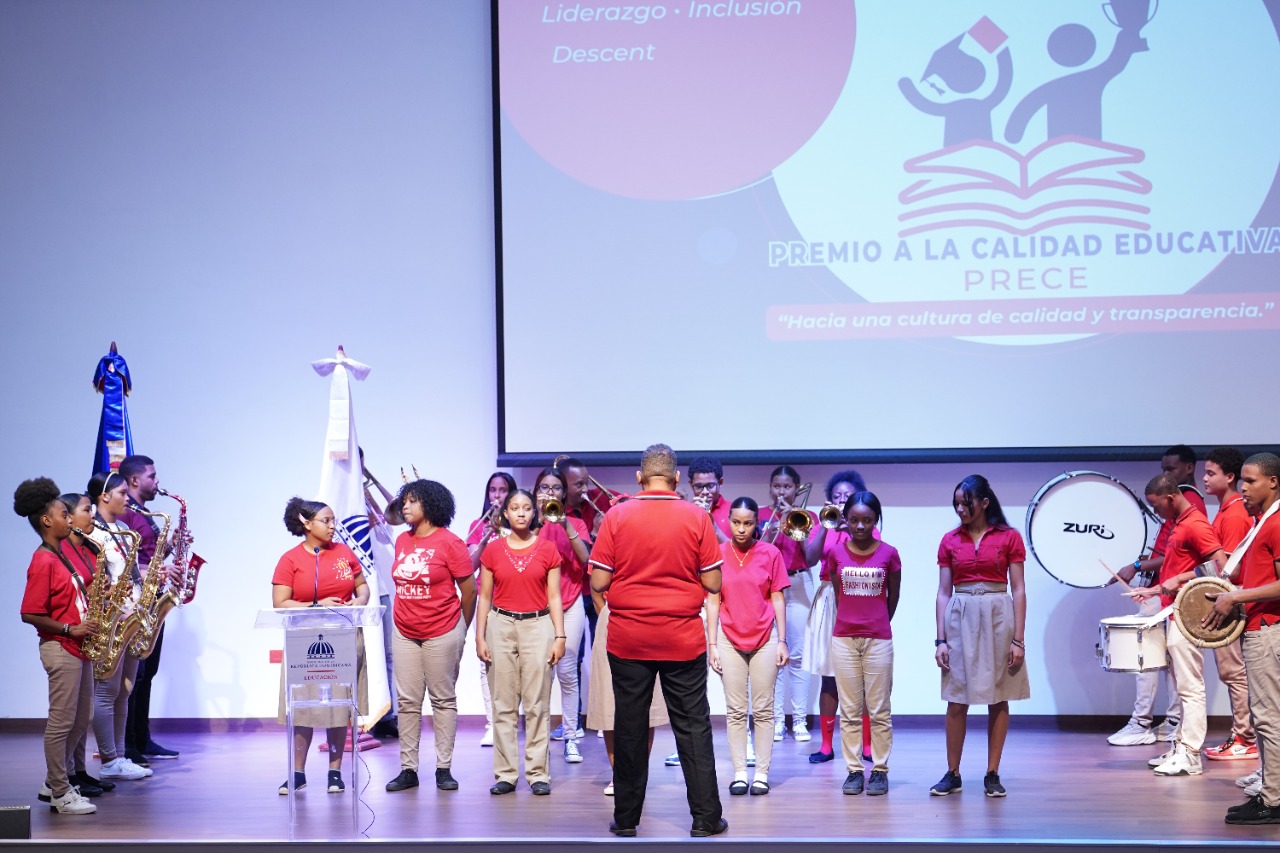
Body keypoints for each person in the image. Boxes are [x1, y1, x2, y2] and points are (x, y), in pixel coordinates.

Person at [590, 443, 726, 838]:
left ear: (639, 478)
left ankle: (627, 820)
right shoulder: (696, 517)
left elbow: (599, 581)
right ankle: (705, 819)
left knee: (630, 726)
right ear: (677, 479)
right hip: (682, 638)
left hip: (628, 638)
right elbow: (713, 581)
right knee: (693, 728)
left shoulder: (617, 516)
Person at [931, 475, 1028, 798]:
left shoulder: (1009, 537)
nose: (960, 508)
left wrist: (1019, 639)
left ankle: (992, 772)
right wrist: (940, 639)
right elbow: (943, 593)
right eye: (956, 502)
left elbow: (1019, 589)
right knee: (956, 696)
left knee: (999, 695)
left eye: (966, 502)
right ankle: (952, 772)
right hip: (960, 615)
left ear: (985, 503)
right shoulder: (949, 540)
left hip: (999, 614)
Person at [271, 497, 370, 795]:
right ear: (306, 522)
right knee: (305, 707)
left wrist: (361, 599)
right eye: (325, 521)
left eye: (333, 520)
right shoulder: (290, 559)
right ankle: (298, 773)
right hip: (306, 639)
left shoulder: (343, 553)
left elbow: (362, 585)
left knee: (338, 708)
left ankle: (335, 773)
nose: (332, 526)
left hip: (344, 635)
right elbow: (280, 602)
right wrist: (317, 605)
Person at [1109, 445, 1205, 746]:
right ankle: (1167, 723)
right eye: (1163, 468)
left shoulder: (1190, 506)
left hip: (1173, 594)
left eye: (1171, 469)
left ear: (1189, 468)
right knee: (1161, 657)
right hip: (1162, 591)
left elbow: (1202, 562)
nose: (1164, 474)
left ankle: (1149, 723)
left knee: (1154, 658)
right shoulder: (1177, 508)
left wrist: (1138, 565)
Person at [384, 479, 476, 793]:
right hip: (405, 630)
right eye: (403, 501)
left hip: (443, 630)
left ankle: (443, 768)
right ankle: (408, 769)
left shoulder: (450, 542)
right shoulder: (401, 541)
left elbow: (469, 590)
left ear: (431, 505)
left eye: (412, 501)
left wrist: (460, 630)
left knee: (442, 700)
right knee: (408, 702)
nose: (404, 507)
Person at [1131, 474, 1225, 777]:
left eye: (1158, 507)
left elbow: (1220, 565)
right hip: (1174, 612)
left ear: (1171, 498)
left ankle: (1191, 754)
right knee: (1184, 687)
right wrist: (1155, 590)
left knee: (1190, 688)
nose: (1158, 514)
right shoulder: (1179, 524)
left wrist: (1181, 580)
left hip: (1188, 616)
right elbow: (1175, 572)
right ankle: (1180, 748)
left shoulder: (1195, 524)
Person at [16, 477, 100, 815]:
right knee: (61, 722)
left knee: (82, 719)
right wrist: (71, 628)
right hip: (60, 646)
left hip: (76, 647)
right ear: (47, 521)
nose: (70, 520)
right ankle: (60, 792)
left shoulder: (60, 555)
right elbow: (29, 613)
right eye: (64, 515)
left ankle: (55, 781)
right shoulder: (44, 560)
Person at [1203, 452, 1280, 824]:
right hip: (1259, 628)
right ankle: (1270, 792)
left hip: (1269, 630)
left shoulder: (1277, 523)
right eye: (1244, 480)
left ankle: (1274, 800)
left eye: (1250, 481)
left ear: (1273, 482)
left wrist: (1235, 596)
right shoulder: (1261, 522)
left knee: (1268, 717)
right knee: (1266, 717)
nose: (1243, 488)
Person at [476, 489, 567, 796]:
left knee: (537, 704)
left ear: (534, 513)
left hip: (538, 625)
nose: (520, 513)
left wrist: (559, 635)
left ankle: (538, 773)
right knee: (503, 703)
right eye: (514, 508)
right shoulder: (493, 551)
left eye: (526, 508)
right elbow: (484, 597)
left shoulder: (548, 550)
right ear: (505, 513)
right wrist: (479, 635)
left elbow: (554, 596)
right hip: (500, 625)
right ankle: (505, 773)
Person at [707, 497, 788, 796]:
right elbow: (713, 600)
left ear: (757, 524)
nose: (741, 529)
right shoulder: (717, 554)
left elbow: (777, 596)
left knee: (764, 710)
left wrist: (782, 640)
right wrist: (712, 644)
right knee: (736, 710)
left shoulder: (770, 553)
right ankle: (740, 772)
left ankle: (762, 774)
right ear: (728, 520)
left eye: (748, 523)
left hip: (765, 637)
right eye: (736, 522)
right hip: (729, 638)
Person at [828, 491, 900, 796]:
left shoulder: (889, 553)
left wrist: (877, 622)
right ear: (846, 519)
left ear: (875, 520)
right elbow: (837, 592)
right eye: (854, 519)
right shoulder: (836, 554)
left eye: (867, 520)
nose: (860, 526)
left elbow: (892, 597)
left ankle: (880, 770)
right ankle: (854, 771)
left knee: (879, 708)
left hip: (879, 639)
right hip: (843, 638)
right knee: (850, 708)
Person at [801, 468, 872, 764]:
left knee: (864, 678)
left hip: (859, 597)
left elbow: (869, 557)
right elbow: (810, 558)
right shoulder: (823, 526)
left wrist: (850, 528)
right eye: (836, 497)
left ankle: (867, 747)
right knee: (829, 677)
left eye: (847, 496)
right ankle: (827, 745)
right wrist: (828, 527)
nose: (841, 501)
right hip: (830, 597)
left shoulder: (867, 527)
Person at [86, 471, 151, 783]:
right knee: (107, 690)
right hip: (110, 621)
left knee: (125, 691)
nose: (128, 498)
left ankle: (121, 755)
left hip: (131, 618)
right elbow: (93, 581)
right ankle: (109, 758)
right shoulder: (92, 532)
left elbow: (130, 574)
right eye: (123, 492)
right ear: (104, 495)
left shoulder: (123, 529)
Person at [116, 454, 179, 765]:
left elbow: (149, 555)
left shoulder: (146, 513)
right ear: (134, 481)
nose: (157, 482)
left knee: (148, 672)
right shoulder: (126, 514)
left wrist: (171, 545)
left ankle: (142, 739)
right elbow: (125, 563)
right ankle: (126, 745)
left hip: (153, 597)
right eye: (152, 477)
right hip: (137, 601)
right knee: (136, 674)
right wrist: (156, 572)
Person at [586, 580, 671, 798]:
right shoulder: (610, 545)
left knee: (647, 701)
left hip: (650, 615)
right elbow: (596, 586)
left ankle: (637, 775)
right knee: (608, 698)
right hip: (613, 615)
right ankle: (620, 776)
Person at [1200, 447, 1258, 762]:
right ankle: (1242, 735)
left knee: (1234, 673)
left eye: (1211, 473)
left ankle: (1245, 738)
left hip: (1230, 604)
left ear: (1230, 476)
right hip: (1226, 601)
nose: (1204, 478)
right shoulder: (1226, 510)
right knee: (1232, 672)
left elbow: (1231, 569)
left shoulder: (1234, 513)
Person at [531, 467, 592, 762]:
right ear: (535, 492)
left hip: (570, 604)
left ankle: (570, 737)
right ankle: (539, 742)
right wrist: (538, 522)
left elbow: (586, 560)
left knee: (567, 674)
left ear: (564, 494)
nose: (550, 493)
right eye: (544, 488)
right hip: (536, 608)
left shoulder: (576, 522)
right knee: (540, 677)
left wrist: (565, 524)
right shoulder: (526, 524)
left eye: (555, 488)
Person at [58, 493, 116, 799]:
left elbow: (93, 588)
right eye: (86, 510)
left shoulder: (90, 548)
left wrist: (108, 591)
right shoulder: (60, 552)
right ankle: (64, 777)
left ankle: (78, 771)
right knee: (70, 717)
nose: (92, 515)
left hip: (89, 635)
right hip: (70, 638)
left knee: (83, 715)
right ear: (67, 517)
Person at [759, 465, 815, 743]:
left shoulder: (808, 517)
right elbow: (757, 551)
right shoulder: (760, 515)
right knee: (774, 657)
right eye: (777, 486)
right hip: (768, 588)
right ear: (771, 488)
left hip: (799, 584)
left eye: (787, 487)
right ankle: (778, 721)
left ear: (797, 488)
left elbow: (811, 556)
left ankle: (800, 721)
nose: (782, 491)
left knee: (799, 656)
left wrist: (792, 521)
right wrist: (772, 525)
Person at [464, 471, 516, 746]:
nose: (497, 495)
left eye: (503, 490)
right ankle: (492, 724)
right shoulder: (478, 525)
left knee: (515, 663)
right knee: (486, 660)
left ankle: (510, 721)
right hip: (486, 599)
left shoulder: (521, 526)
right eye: (493, 490)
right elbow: (469, 567)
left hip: (515, 599)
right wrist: (484, 539)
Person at [687, 455, 731, 541]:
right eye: (698, 486)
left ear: (720, 482)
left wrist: (712, 524)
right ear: (691, 485)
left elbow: (735, 552)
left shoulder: (733, 510)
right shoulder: (685, 512)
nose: (705, 492)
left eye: (710, 486)